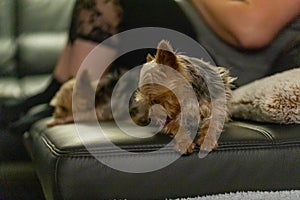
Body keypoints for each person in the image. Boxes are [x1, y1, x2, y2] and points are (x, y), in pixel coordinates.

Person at [0, 0, 299, 159]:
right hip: (199, 41)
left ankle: (55, 102)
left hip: (225, 67)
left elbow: (251, 30)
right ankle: (51, 97)